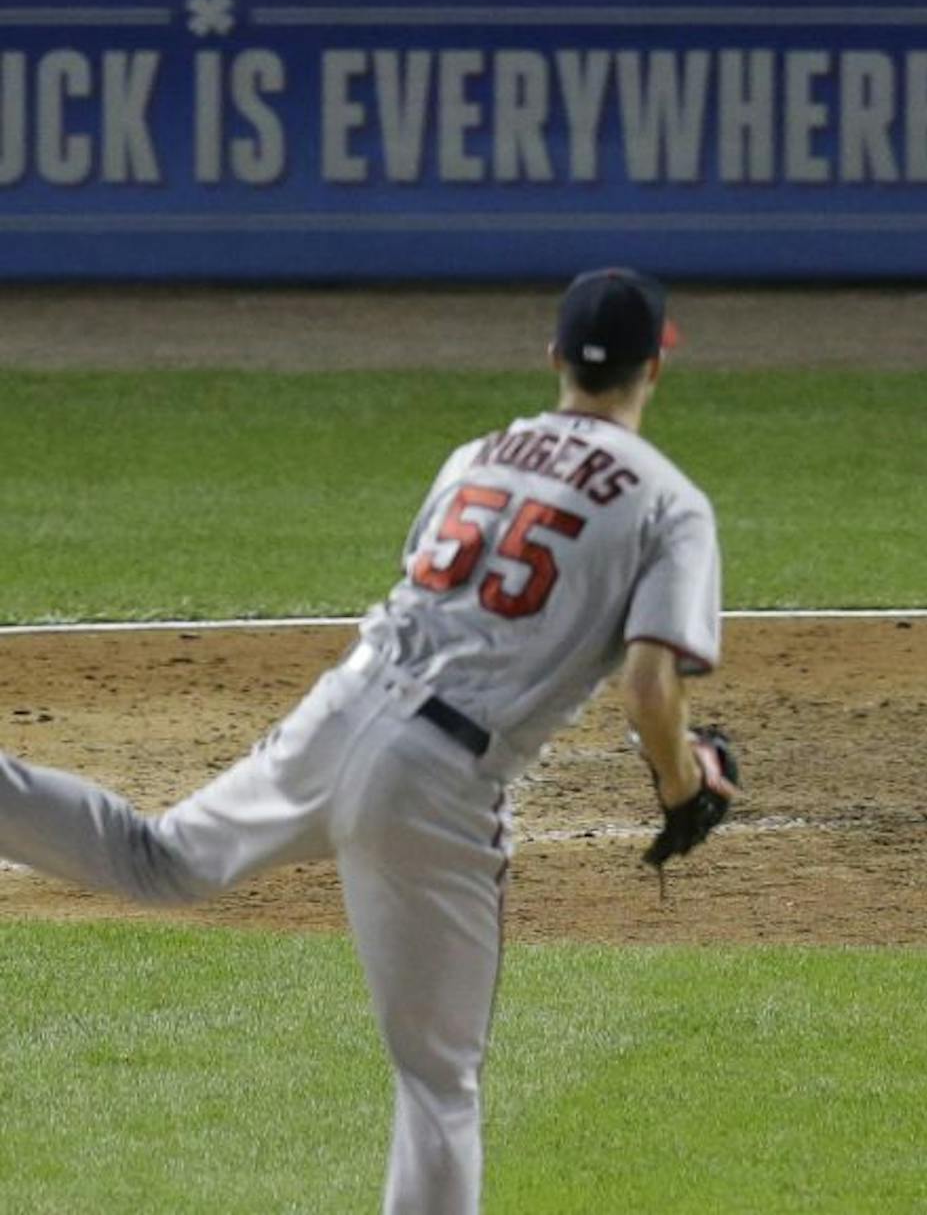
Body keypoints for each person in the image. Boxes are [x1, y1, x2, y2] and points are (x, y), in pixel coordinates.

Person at [0, 268, 734, 1214]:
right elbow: (647, 684)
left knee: (157, 857)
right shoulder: (672, 504)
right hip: (437, 777)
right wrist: (686, 783)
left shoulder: (479, 454)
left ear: (554, 356)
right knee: (438, 1085)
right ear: (655, 369)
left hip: (340, 709)